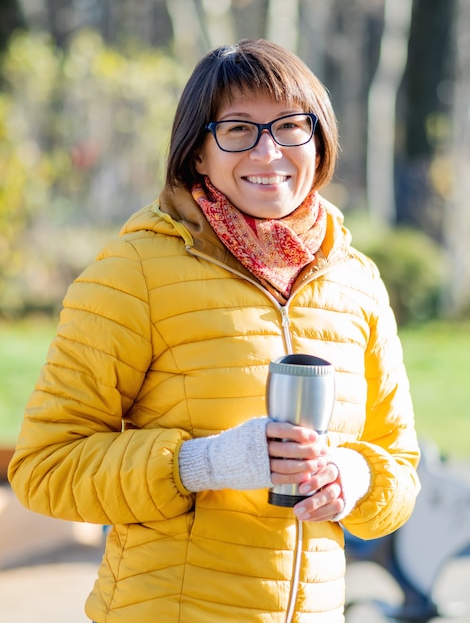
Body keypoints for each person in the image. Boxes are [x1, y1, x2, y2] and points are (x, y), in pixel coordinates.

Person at [8, 38, 420, 623]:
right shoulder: (135, 273)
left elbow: (399, 470)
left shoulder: (357, 284)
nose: (269, 150)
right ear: (198, 153)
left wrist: (353, 477)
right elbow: (45, 468)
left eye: (290, 126)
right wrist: (204, 464)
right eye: (238, 130)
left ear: (319, 139)